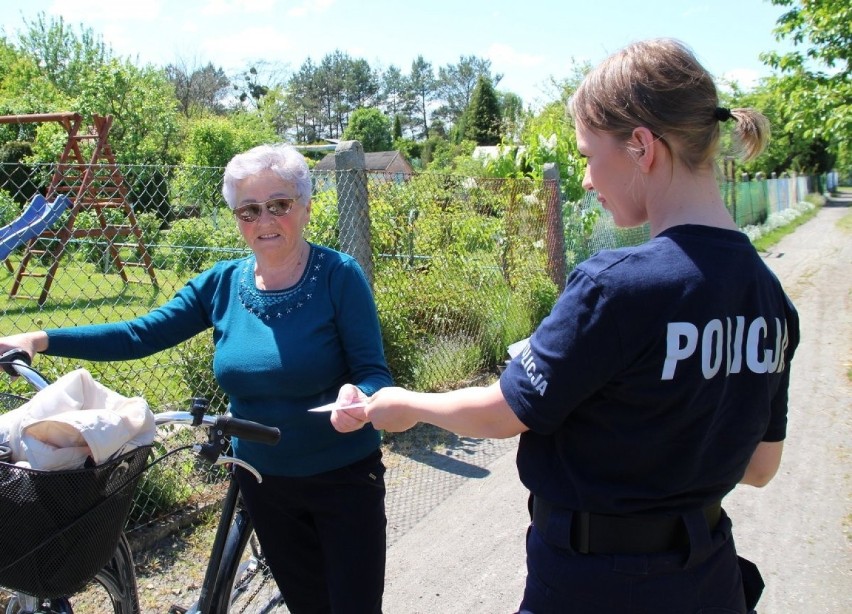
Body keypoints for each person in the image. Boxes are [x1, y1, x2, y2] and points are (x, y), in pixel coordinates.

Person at [332, 38, 799, 613]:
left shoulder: (617, 285)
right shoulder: (769, 295)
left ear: (641, 146)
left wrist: (404, 404)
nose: (583, 179)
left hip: (596, 586)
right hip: (708, 581)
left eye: (586, 155)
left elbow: (504, 413)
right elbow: (759, 466)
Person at [0, 144, 392, 614]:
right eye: (249, 210)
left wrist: (361, 397)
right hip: (263, 481)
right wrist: (40, 338)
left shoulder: (339, 277)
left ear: (305, 206)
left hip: (343, 480)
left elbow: (373, 374)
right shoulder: (223, 284)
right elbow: (138, 334)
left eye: (279, 205)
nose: (265, 220)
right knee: (308, 605)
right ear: (236, 217)